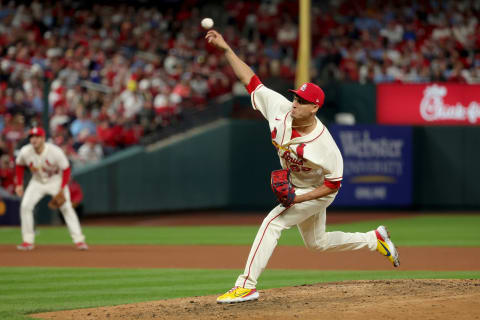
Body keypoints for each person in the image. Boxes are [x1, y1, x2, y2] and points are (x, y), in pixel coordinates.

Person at [205, 30, 400, 304]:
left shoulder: (325, 146)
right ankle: (374, 239)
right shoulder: (280, 109)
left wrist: (299, 198)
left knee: (272, 222)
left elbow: (333, 185)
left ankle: (246, 285)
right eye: (295, 98)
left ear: (315, 108)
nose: (295, 104)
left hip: (317, 190)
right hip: (298, 184)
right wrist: (226, 49)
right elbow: (252, 81)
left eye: (302, 102)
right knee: (316, 243)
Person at [14, 127, 88, 251]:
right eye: (32, 137)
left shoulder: (55, 151)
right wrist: (19, 184)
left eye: (37, 137)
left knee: (67, 208)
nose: (34, 140)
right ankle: (28, 241)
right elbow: (19, 165)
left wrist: (62, 188)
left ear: (43, 138)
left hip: (56, 181)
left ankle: (79, 241)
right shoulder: (25, 151)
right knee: (25, 206)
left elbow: (66, 169)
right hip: (37, 182)